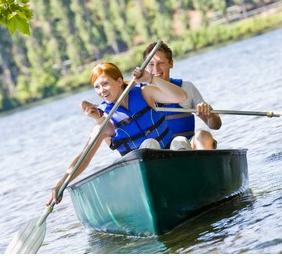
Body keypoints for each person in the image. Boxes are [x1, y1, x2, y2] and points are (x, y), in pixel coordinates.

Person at [47, 62, 186, 205]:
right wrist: (61, 184)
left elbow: (181, 96)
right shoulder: (105, 123)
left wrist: (151, 78)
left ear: (119, 81)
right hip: (144, 176)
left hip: (172, 161)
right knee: (149, 146)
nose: (101, 90)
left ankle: (186, 182)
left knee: (180, 141)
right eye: (97, 87)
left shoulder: (144, 93)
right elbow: (84, 157)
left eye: (105, 84)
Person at [82, 42, 222, 150]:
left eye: (161, 63)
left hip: (188, 149)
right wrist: (98, 117)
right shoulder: (140, 95)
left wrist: (209, 115)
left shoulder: (186, 88)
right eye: (151, 64)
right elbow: (115, 140)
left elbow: (215, 125)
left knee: (203, 135)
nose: (156, 69)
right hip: (157, 153)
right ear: (144, 69)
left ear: (171, 64)